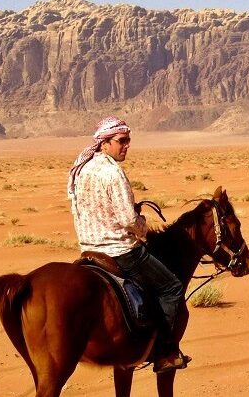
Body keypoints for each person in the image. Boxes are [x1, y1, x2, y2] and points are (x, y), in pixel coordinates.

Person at [67, 116, 189, 373]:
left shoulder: (81, 170)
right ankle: (166, 352)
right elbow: (126, 219)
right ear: (104, 143)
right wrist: (142, 226)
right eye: (121, 141)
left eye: (128, 140)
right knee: (172, 288)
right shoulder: (113, 172)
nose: (127, 145)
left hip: (89, 250)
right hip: (120, 251)